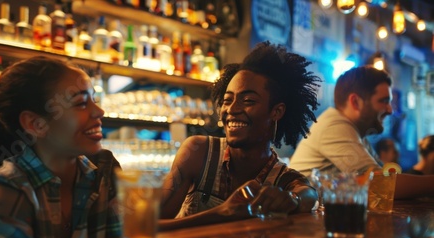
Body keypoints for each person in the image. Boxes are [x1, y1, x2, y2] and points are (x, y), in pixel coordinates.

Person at [159, 41, 319, 228]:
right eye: (228, 100)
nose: (232, 109)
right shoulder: (199, 153)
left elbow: (308, 194)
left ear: (277, 111)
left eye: (248, 100)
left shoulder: (282, 179)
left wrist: (293, 198)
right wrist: (221, 213)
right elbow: (152, 226)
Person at [0, 56, 120, 238]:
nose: (99, 111)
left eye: (94, 100)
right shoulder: (7, 185)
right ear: (36, 124)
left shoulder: (103, 169)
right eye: (80, 103)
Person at [290, 66, 434, 199]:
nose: (390, 110)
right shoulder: (334, 126)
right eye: (384, 101)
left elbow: (383, 178)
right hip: (301, 222)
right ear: (355, 102)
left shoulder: (357, 133)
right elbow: (381, 185)